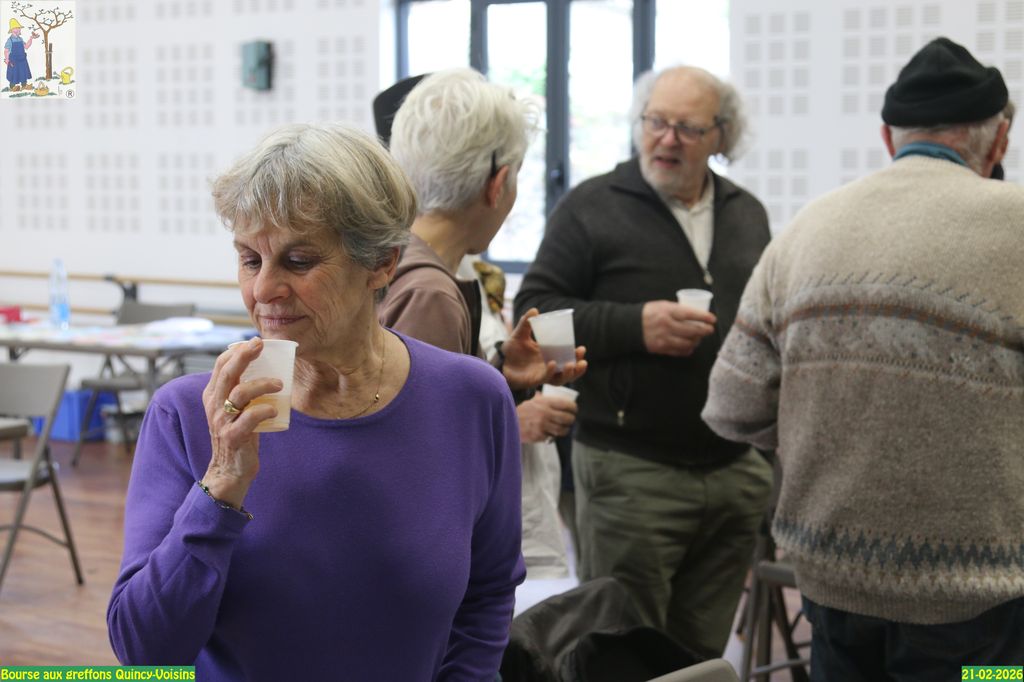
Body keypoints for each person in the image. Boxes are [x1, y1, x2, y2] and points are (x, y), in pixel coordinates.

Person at [107, 123, 526, 680]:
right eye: (250, 260)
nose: (263, 290)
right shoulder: (186, 415)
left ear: (382, 263)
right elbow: (144, 651)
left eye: (299, 261)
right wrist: (221, 485)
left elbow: (488, 594)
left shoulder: (471, 399)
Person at [702, 37, 1024, 680]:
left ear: (888, 137)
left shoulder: (806, 229)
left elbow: (733, 407)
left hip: (831, 584)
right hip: (981, 602)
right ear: (999, 139)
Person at [514, 65, 773, 658]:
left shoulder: (747, 213)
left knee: (700, 657)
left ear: (721, 135)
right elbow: (537, 311)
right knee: (623, 654)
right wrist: (636, 325)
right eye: (656, 122)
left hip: (734, 470)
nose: (667, 139)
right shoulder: (592, 206)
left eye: (688, 128)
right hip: (630, 470)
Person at [378, 68, 585, 577]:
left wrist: (497, 377)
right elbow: (422, 461)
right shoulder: (430, 293)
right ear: (497, 185)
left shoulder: (398, 259)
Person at [4, 19, 37, 92]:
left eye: (19, 28)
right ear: (12, 30)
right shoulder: (10, 40)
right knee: (14, 73)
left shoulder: (20, 39)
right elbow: (6, 50)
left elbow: (26, 46)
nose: (19, 29)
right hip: (14, 61)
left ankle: (24, 85)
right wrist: (7, 59)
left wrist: (31, 39)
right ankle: (12, 87)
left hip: (22, 59)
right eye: (17, 28)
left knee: (23, 72)